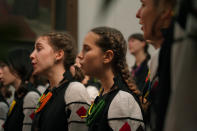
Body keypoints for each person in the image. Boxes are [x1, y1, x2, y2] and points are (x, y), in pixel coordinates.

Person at [78, 26, 144, 131]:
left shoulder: (122, 100)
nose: (80, 55)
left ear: (107, 56)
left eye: (87, 49)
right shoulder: (105, 93)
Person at [30, 32, 91, 131]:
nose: (31, 55)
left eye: (39, 49)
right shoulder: (48, 92)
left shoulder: (75, 90)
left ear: (58, 54)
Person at [136, 0, 176, 130]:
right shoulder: (157, 57)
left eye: (143, 5)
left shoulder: (178, 54)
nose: (137, 14)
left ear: (165, 11)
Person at [0, 48, 41, 131]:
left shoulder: (31, 96)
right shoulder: (18, 94)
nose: (0, 71)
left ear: (17, 66)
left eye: (3, 66)